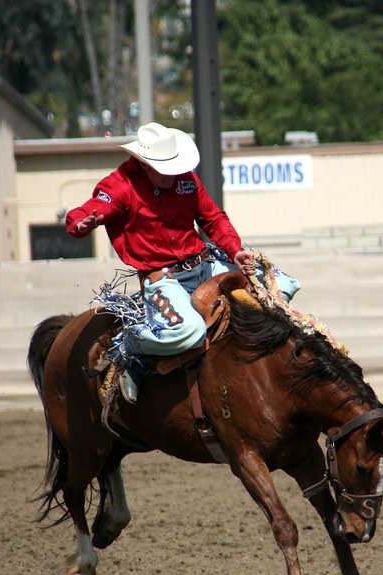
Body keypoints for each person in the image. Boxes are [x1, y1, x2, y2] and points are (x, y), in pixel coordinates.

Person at [65, 121, 300, 403]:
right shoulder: (119, 186)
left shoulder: (186, 179)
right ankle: (133, 345)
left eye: (175, 166)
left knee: (284, 284)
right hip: (163, 278)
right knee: (189, 332)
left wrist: (235, 250)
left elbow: (212, 218)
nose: (173, 175)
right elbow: (87, 212)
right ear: (144, 164)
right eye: (166, 169)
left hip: (205, 262)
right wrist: (81, 224)